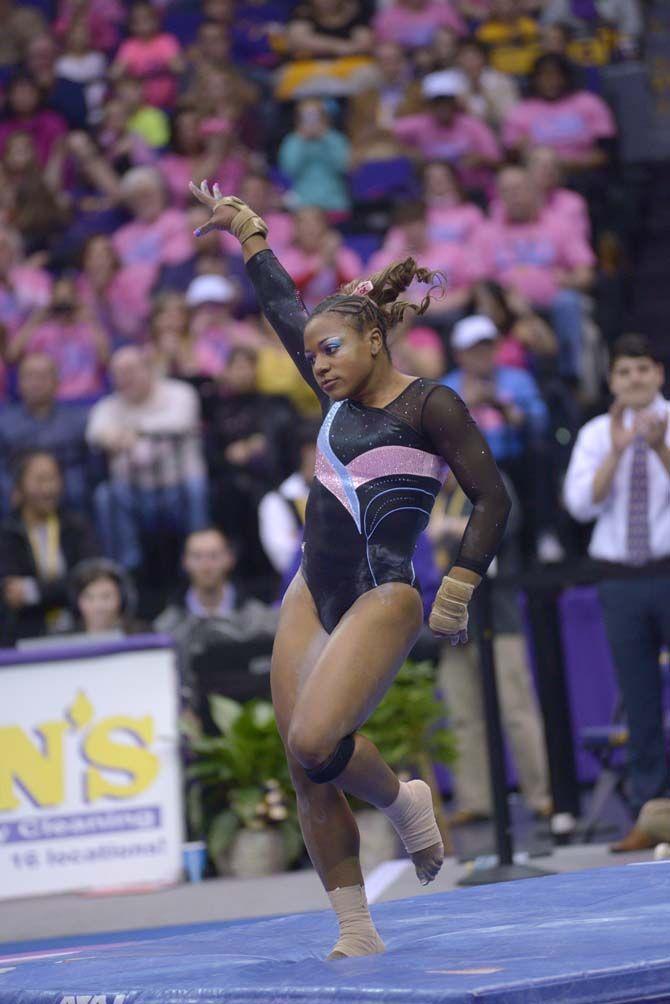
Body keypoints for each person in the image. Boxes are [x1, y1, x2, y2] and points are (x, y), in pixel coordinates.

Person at [189, 180, 510, 958]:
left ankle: (404, 801)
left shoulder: (430, 405)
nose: (319, 363)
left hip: (385, 593)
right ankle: (357, 929)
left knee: (314, 739)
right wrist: (249, 232)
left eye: (330, 349)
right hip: (312, 588)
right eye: (310, 356)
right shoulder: (330, 396)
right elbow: (281, 308)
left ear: (374, 340)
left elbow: (493, 499)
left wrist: (459, 588)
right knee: (306, 770)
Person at [563, 335, 670, 848]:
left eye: (642, 370)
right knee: (640, 697)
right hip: (621, 581)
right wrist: (621, 449)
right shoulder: (593, 435)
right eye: (624, 372)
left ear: (659, 375)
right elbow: (580, 505)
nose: (634, 380)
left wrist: (660, 447)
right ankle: (651, 814)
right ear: (612, 381)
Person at [430, 472, 552, 823]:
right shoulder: (431, 493)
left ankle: (541, 794)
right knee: (463, 715)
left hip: (497, 617)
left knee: (516, 710)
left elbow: (506, 523)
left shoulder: (489, 481)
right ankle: (475, 799)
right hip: (449, 620)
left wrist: (454, 526)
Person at [86, 346, 209, 573]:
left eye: (131, 370)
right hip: (133, 494)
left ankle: (198, 564)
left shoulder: (179, 393)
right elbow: (94, 433)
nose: (125, 378)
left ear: (148, 369)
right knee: (106, 495)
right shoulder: (107, 406)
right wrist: (121, 436)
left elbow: (180, 421)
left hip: (178, 487)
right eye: (118, 373)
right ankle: (125, 569)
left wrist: (133, 432)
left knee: (197, 487)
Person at [475, 165, 595, 381]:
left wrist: (569, 279)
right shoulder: (486, 231)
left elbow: (585, 272)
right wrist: (502, 297)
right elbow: (479, 280)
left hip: (553, 305)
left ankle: (571, 375)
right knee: (484, 307)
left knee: (568, 302)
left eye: (519, 189)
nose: (514, 197)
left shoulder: (559, 225)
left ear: (534, 190)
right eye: (507, 192)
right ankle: (492, 379)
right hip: (506, 309)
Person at [0, 450, 99, 645]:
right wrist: (59, 588)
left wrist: (34, 591)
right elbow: (10, 592)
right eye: (40, 480)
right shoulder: (6, 533)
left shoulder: (77, 526)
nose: (49, 488)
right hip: (21, 632)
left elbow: (87, 578)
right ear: (19, 487)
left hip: (76, 624)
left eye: (54, 479)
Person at [0, 353, 89, 515]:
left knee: (81, 488)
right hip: (17, 488)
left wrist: (53, 485)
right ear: (19, 384)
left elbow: (86, 463)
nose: (36, 383)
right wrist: (9, 488)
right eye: (30, 376)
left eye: (42, 376)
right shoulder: (4, 423)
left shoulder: (78, 421)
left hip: (68, 489)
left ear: (56, 382)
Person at [392, 69, 502, 200]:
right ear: (430, 105)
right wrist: (407, 152)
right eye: (437, 102)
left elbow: (497, 160)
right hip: (433, 194)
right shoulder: (420, 124)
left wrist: (480, 159)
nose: (442, 106)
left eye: (446, 101)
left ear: (454, 102)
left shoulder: (473, 125)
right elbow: (386, 133)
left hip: (475, 191)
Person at [278, 100, 352, 215]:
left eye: (315, 116)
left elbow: (344, 166)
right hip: (303, 203)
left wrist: (326, 138)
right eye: (306, 117)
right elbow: (289, 170)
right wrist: (302, 141)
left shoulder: (336, 139)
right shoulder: (292, 141)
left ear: (324, 117)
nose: (311, 121)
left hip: (334, 202)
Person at [69, 557, 144, 635]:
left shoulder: (143, 635)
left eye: (106, 597)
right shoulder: (63, 639)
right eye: (89, 598)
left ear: (121, 598)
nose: (98, 606)